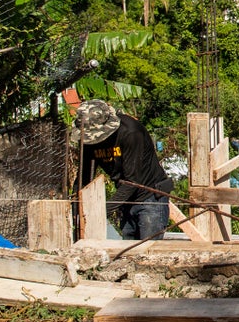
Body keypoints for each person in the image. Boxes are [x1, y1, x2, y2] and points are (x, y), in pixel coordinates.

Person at [74, 99, 174, 240]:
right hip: (126, 199)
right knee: (127, 253)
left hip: (149, 197)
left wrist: (102, 212)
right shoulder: (89, 139)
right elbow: (83, 177)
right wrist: (75, 211)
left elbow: (132, 181)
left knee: (148, 251)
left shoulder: (131, 133)